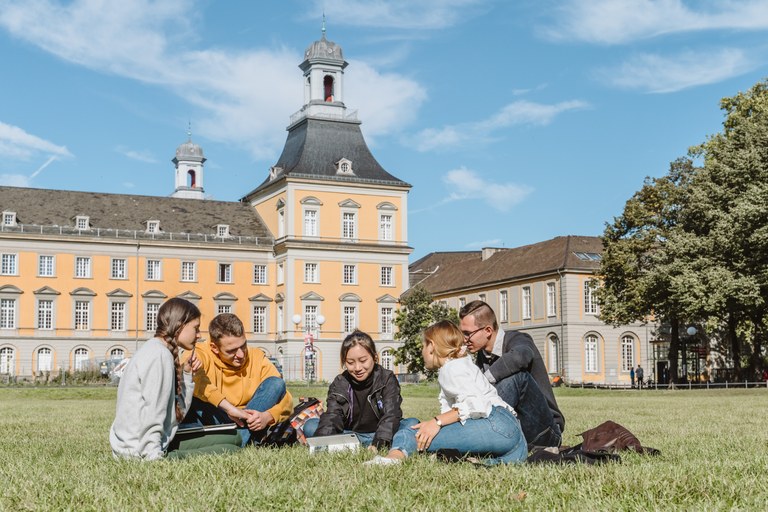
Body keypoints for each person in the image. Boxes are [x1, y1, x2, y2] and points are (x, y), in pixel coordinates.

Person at [368, 320, 527, 465]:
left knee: (413, 433)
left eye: (423, 346)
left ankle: (394, 457)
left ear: (431, 346)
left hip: (495, 424)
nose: (422, 352)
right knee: (414, 425)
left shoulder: (451, 368)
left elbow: (476, 404)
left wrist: (436, 422)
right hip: (511, 432)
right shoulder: (462, 363)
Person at [110, 298, 241, 460]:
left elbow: (174, 415)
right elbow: (153, 413)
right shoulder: (159, 356)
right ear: (180, 326)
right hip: (139, 451)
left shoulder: (155, 349)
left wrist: (186, 375)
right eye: (196, 328)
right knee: (230, 447)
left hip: (134, 444)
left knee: (233, 437)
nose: (199, 335)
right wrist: (153, 458)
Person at [459, 300, 564, 448]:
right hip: (515, 429)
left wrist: (483, 381)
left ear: (488, 330)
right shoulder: (482, 355)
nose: (464, 339)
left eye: (468, 334)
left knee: (517, 377)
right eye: (462, 333)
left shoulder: (518, 340)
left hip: (546, 432)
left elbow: (522, 356)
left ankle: (472, 437)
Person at [182, 313, 292, 446]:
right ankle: (241, 441)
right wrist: (229, 409)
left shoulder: (256, 356)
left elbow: (286, 398)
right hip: (216, 416)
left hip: (247, 417)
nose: (240, 354)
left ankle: (235, 441)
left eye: (243, 346)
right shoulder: (200, 352)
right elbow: (192, 377)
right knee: (193, 392)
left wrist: (268, 416)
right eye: (232, 351)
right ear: (214, 348)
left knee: (276, 383)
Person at [303, 330, 417, 451]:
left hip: (382, 433)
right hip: (350, 434)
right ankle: (355, 444)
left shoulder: (387, 378)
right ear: (344, 362)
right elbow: (333, 415)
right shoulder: (340, 382)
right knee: (310, 425)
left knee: (412, 423)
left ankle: (360, 446)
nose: (358, 368)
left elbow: (391, 414)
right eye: (350, 363)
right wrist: (322, 442)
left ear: (374, 357)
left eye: (363, 361)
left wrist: (379, 442)